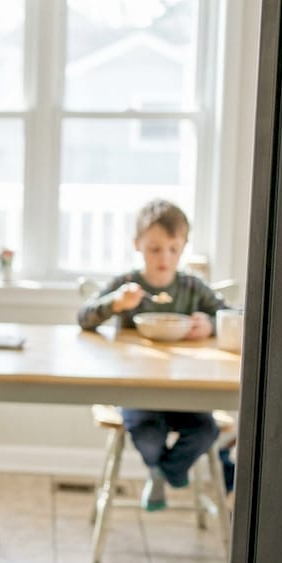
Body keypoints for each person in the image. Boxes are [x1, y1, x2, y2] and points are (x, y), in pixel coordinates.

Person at [77, 199, 227, 511]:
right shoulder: (127, 285)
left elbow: (229, 315)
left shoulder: (192, 288)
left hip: (187, 390)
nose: (164, 257)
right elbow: (84, 317)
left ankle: (166, 471)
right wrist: (116, 304)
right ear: (138, 245)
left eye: (174, 249)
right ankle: (159, 468)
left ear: (184, 246)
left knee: (206, 431)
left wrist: (209, 324)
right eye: (155, 249)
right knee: (147, 434)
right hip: (138, 390)